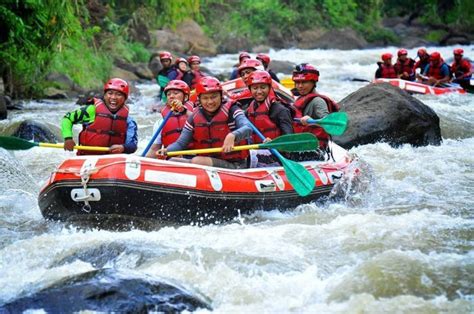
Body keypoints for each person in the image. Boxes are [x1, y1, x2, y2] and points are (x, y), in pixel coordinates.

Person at [162, 77, 252, 169]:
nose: (210, 102)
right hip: (209, 163)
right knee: (172, 161)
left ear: (221, 96)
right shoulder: (194, 117)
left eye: (214, 97)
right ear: (199, 99)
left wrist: (233, 136)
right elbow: (180, 144)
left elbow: (248, 127)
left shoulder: (232, 110)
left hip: (236, 165)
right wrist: (166, 151)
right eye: (205, 98)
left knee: (197, 161)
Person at [61, 78, 138, 155]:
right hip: (87, 157)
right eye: (110, 93)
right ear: (104, 95)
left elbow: (132, 145)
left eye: (119, 94)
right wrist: (68, 138)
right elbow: (67, 119)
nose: (113, 97)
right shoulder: (91, 110)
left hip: (113, 159)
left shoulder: (129, 121)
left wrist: (123, 148)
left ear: (125, 99)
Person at [246, 70, 294, 167]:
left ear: (269, 88)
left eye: (263, 87)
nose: (259, 92)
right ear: (250, 89)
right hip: (257, 153)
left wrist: (275, 143)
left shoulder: (280, 110)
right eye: (255, 88)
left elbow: (290, 140)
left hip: (278, 155)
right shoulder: (249, 109)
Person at [292, 63, 339, 153]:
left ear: (313, 82)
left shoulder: (318, 101)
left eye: (304, 82)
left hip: (315, 150)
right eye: (297, 83)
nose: (300, 86)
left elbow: (330, 125)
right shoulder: (300, 98)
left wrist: (311, 121)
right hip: (300, 146)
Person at [146, 80, 194, 158]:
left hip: (193, 157)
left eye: (175, 93)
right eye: (168, 94)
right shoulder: (161, 122)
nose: (171, 96)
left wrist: (183, 110)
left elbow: (199, 121)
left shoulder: (195, 112)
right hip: (171, 158)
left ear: (185, 97)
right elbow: (154, 149)